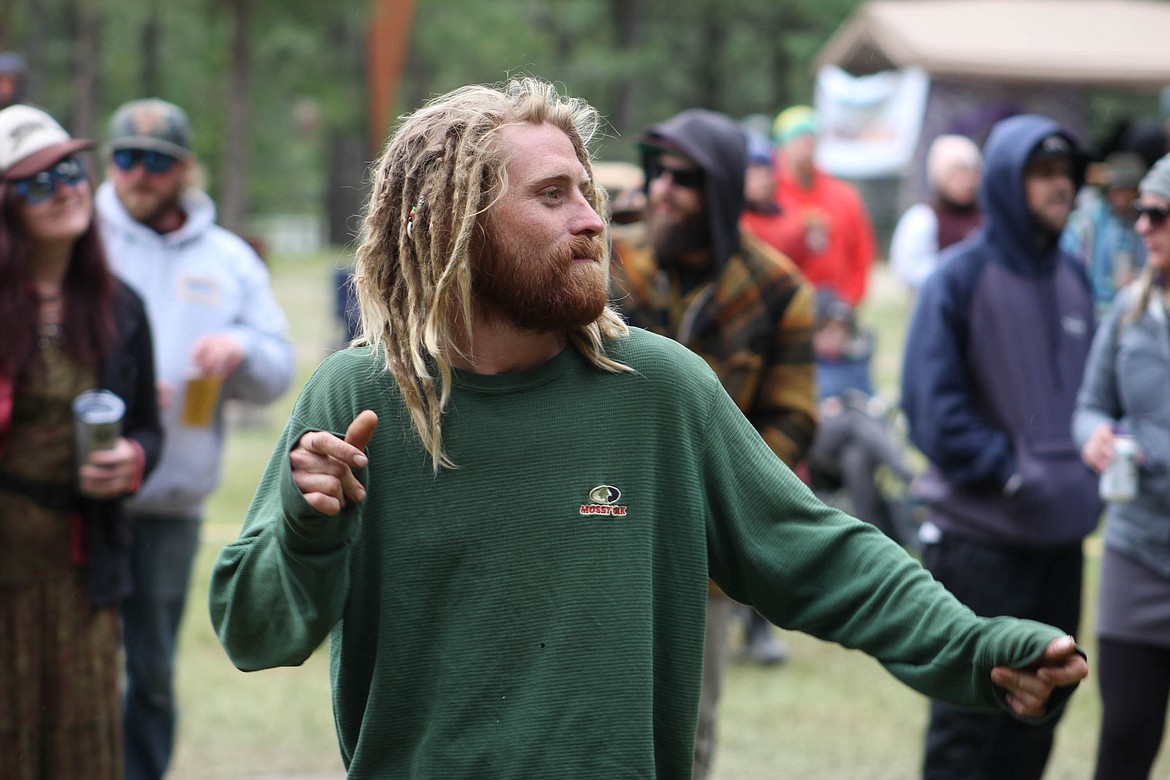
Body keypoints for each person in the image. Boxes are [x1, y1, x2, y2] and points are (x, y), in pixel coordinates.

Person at [208, 78, 1088, 779]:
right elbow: (253, 632)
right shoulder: (361, 395)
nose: (593, 219)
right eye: (553, 195)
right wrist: (305, 523)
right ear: (457, 224)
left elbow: (824, 556)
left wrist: (973, 647)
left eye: (587, 192)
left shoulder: (657, 389)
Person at [608, 108, 818, 778]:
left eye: (685, 178)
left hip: (697, 552)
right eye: (658, 172)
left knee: (686, 730)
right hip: (592, 523)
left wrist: (715, 494)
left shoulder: (778, 289)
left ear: (723, 191)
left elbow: (792, 418)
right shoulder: (607, 263)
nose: (662, 189)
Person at [93, 98, 295, 780]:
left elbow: (278, 371)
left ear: (184, 171)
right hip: (73, 493)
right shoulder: (77, 234)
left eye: (156, 162)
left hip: (169, 503)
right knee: (65, 670)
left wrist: (237, 349)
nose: (138, 175)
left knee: (149, 677)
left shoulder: (228, 259)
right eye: (125, 158)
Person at [900, 114, 1101, 780]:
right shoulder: (957, 278)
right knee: (971, 721)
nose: (1059, 188)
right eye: (1042, 174)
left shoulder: (1075, 278)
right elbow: (931, 410)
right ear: (1008, 184)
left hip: (1060, 544)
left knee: (1044, 710)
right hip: (981, 542)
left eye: (1065, 175)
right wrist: (1011, 472)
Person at [0, 105, 162, 779]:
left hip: (81, 573)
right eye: (37, 181)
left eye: (69, 170)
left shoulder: (119, 305)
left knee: (81, 755)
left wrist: (135, 460)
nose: (64, 189)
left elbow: (149, 424)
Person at [1073, 152, 1170, 780]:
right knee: (1125, 738)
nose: (1141, 225)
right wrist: (1094, 439)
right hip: (1136, 553)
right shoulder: (1129, 314)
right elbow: (1089, 406)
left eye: (1158, 213)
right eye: (1139, 211)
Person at [806, 290, 916, 546]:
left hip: (851, 443)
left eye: (841, 332)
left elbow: (872, 405)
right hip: (817, 440)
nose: (836, 338)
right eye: (830, 331)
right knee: (854, 418)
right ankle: (909, 477)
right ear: (816, 331)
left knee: (855, 456)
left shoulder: (854, 364)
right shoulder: (807, 363)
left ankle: (874, 535)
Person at [740, 105, 876, 306]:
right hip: (783, 306)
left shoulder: (843, 196)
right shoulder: (765, 198)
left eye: (811, 140)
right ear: (780, 147)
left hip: (836, 307)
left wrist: (850, 300)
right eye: (798, 140)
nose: (806, 148)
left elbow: (861, 251)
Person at [890, 134, 983, 292]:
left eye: (971, 173)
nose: (967, 181)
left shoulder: (987, 215)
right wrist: (956, 271)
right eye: (958, 173)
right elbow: (908, 269)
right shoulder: (923, 218)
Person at [1061, 150, 1148, 318]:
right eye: (1117, 189)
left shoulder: (1143, 222)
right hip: (1091, 311)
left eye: (1128, 189)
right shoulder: (1087, 221)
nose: (1122, 197)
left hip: (1132, 312)